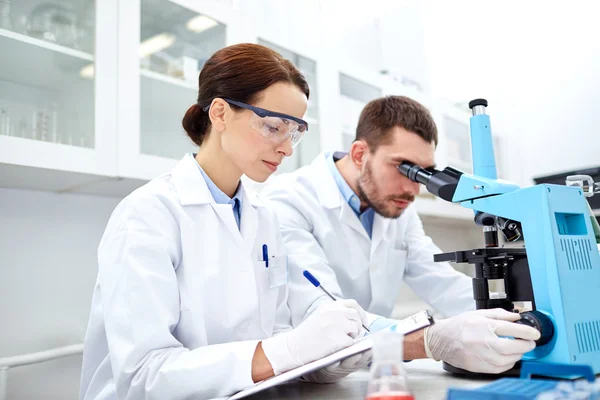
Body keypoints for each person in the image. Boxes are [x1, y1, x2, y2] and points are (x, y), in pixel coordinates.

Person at [79, 43, 371, 400]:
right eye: (274, 126)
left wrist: (326, 360)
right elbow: (144, 376)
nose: (287, 148)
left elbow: (272, 337)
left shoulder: (264, 217)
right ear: (220, 113)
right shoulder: (147, 215)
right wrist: (288, 350)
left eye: (294, 131)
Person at [261, 95, 541, 374]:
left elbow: (441, 282)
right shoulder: (288, 201)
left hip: (371, 369)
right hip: (307, 376)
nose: (414, 189)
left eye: (423, 173)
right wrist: (430, 340)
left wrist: (516, 317)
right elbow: (322, 312)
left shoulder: (398, 210)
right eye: (404, 168)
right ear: (359, 155)